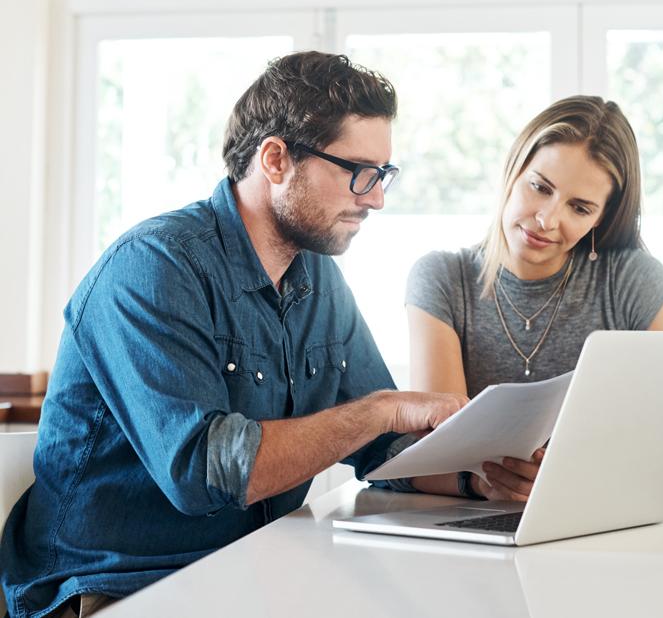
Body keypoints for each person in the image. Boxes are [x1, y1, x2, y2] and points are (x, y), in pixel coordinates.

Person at [0, 52, 467, 618]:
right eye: (359, 172)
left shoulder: (317, 277)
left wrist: (480, 477)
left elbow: (380, 445)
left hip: (248, 570)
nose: (375, 198)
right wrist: (383, 410)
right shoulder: (152, 267)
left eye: (383, 174)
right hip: (116, 585)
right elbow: (206, 473)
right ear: (275, 159)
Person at [405, 95, 663, 502]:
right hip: (478, 525)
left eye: (580, 207)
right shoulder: (443, 279)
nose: (547, 220)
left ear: (601, 218)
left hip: (598, 517)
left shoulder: (633, 281)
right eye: (540, 187)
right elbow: (442, 450)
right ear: (513, 169)